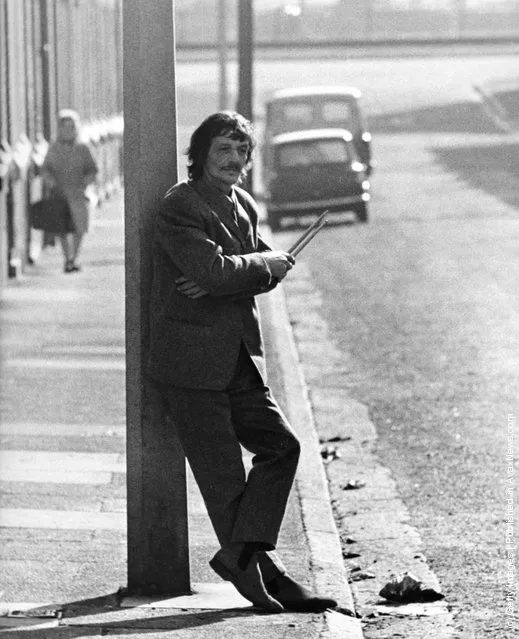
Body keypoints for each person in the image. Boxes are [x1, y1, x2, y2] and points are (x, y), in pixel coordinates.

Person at [147, 111, 337, 613]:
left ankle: (242, 558)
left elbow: (258, 269)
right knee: (225, 478)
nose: (233, 161)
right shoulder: (180, 205)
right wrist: (236, 271)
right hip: (190, 364)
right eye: (222, 151)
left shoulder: (244, 203)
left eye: (240, 152)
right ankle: (261, 573)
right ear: (201, 156)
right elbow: (224, 268)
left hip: (237, 359)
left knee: (282, 446)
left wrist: (235, 274)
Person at [41, 109, 98, 273]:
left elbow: (93, 169)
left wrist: (85, 183)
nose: (68, 130)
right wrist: (51, 182)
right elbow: (46, 169)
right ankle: (67, 258)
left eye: (71, 127)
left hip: (78, 193)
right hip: (59, 193)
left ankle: (75, 257)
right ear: (59, 129)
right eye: (64, 127)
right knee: (62, 229)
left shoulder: (83, 148)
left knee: (79, 228)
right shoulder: (53, 148)